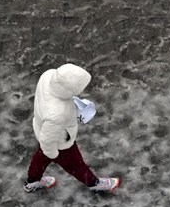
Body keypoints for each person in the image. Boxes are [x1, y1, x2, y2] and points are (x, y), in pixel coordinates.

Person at [24, 63, 119, 193]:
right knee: (75, 164)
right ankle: (94, 183)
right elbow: (48, 140)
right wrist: (54, 154)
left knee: (41, 157)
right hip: (60, 141)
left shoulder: (48, 75)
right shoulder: (57, 113)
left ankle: (32, 182)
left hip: (42, 127)